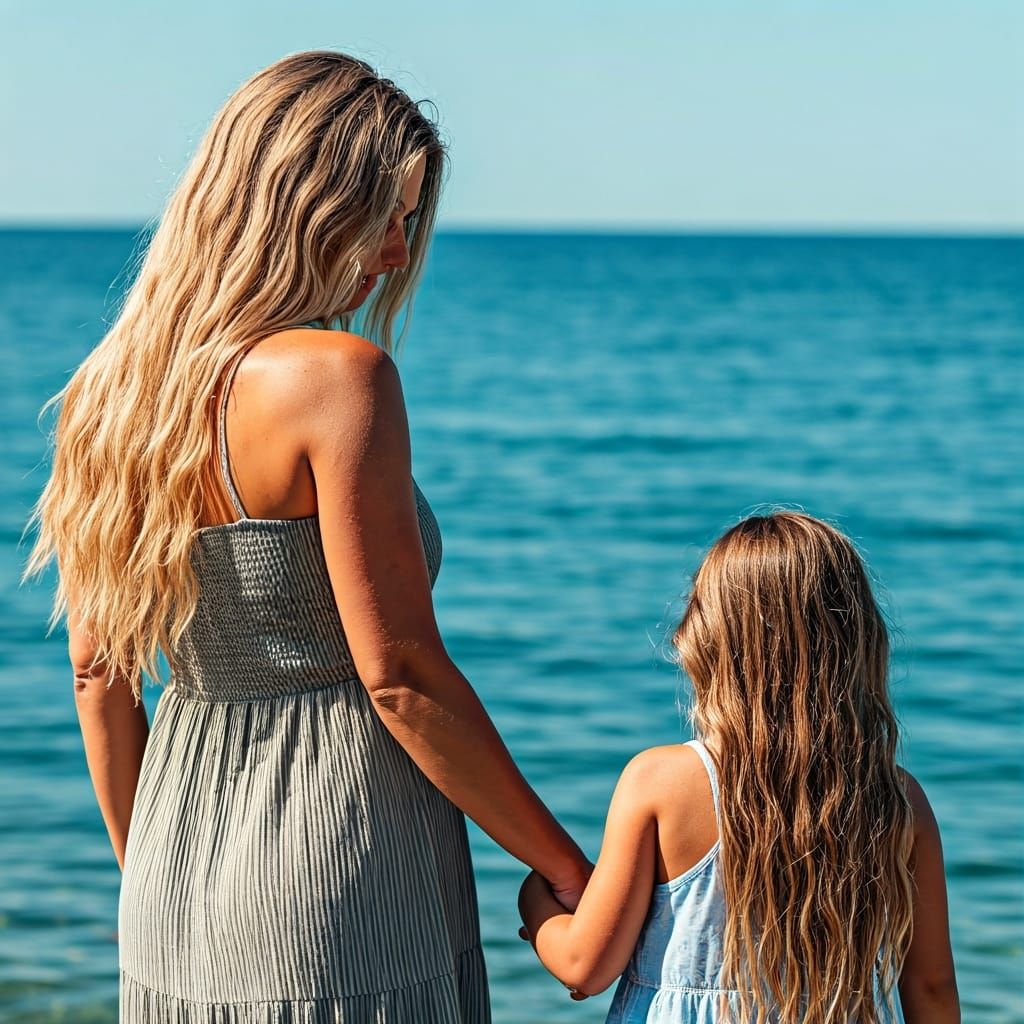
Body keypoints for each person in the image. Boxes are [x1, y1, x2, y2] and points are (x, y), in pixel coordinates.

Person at [26, 50, 590, 1022]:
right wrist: (571, 871)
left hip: (172, 871)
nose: (396, 254)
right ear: (308, 203)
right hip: (342, 859)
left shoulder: (108, 396)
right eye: (387, 218)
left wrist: (150, 872)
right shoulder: (336, 378)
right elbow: (399, 676)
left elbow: (96, 675)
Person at [518, 512, 960, 1023]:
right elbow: (931, 987)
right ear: (860, 640)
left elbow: (584, 966)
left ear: (704, 638)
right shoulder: (896, 798)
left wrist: (538, 899)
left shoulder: (661, 781)